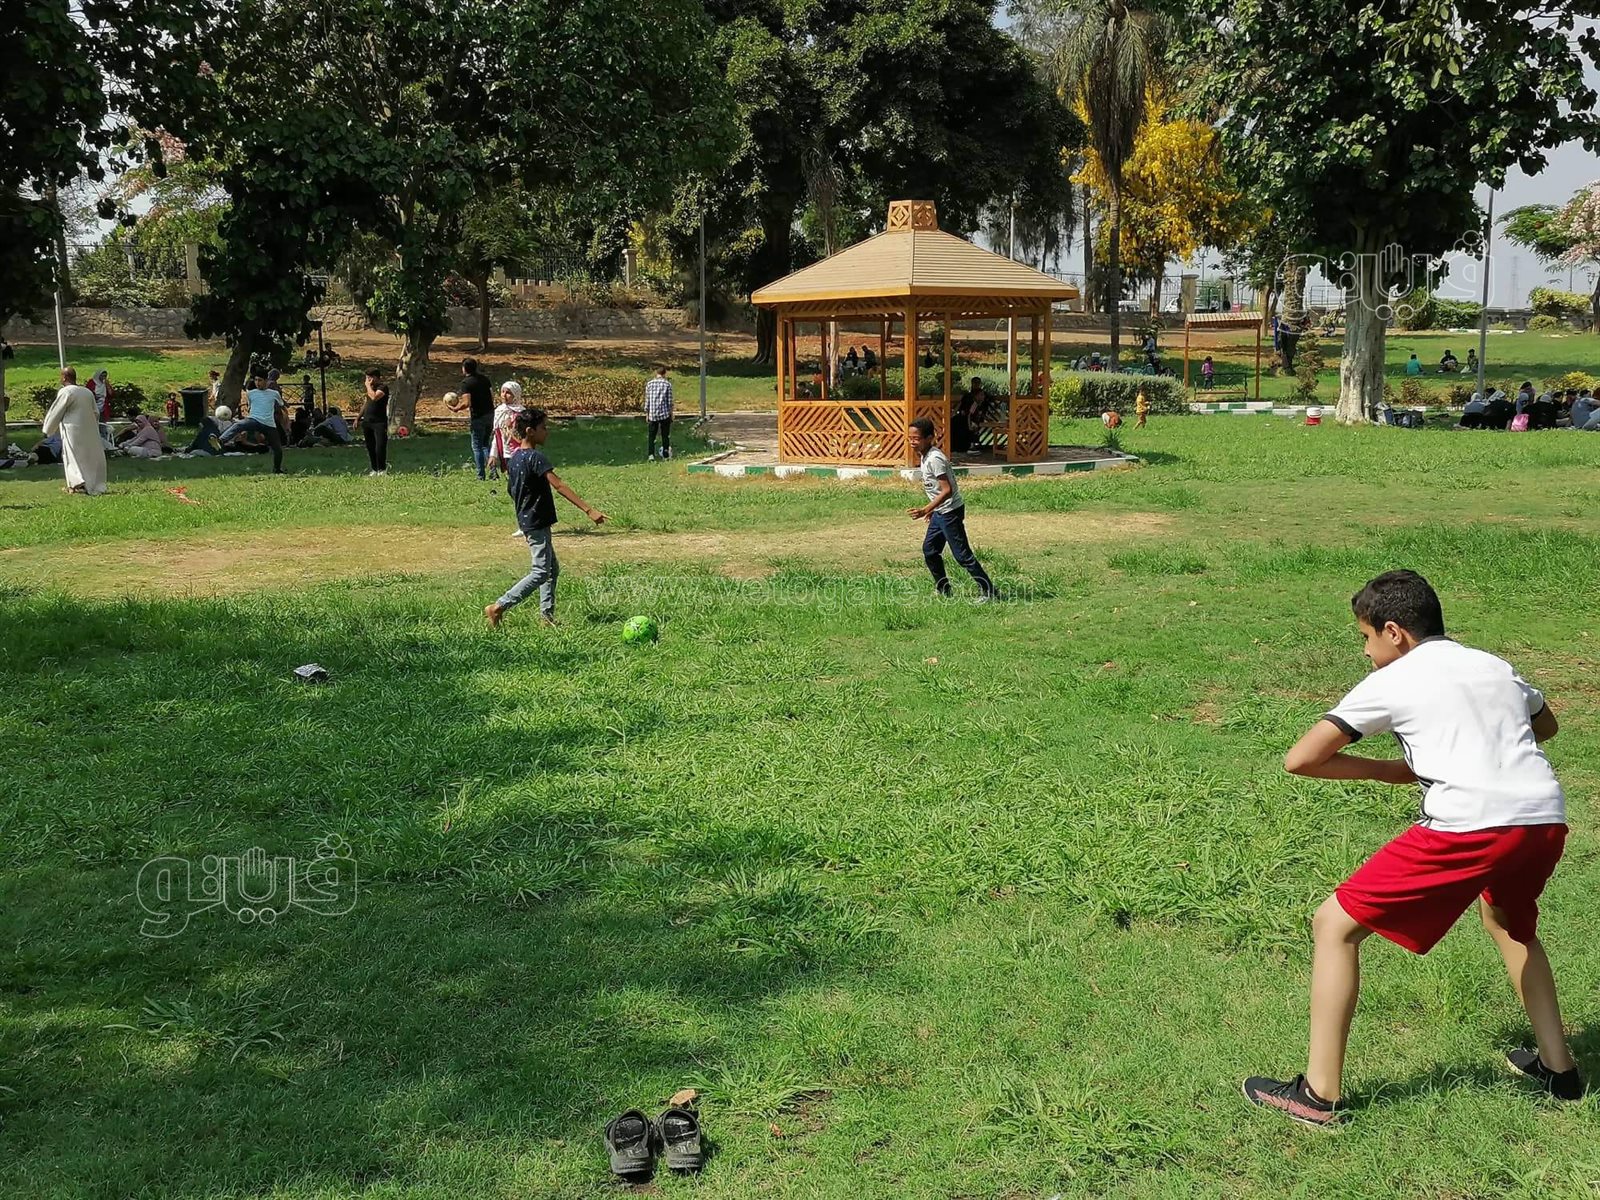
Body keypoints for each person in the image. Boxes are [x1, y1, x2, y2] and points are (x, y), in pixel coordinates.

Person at [1244, 570, 1578, 1127]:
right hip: (1543, 818)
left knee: (1334, 925)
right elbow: (1546, 727)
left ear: (1394, 632)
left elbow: (1301, 759)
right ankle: (1559, 1070)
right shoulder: (1493, 665)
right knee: (1510, 922)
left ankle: (1318, 1096)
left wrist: (1390, 772)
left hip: (1469, 826)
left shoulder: (1393, 678)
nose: (1366, 651)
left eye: (1366, 637)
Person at [484, 407, 608, 628]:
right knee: (541, 571)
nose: (547, 431)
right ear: (530, 431)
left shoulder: (515, 458)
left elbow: (512, 490)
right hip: (536, 522)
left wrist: (524, 511)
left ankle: (546, 618)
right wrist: (589, 510)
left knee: (551, 570)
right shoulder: (536, 457)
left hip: (529, 521)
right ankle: (499, 606)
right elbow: (558, 485)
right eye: (543, 427)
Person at [906, 417, 996, 604]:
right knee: (930, 551)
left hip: (950, 512)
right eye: (910, 438)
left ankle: (990, 592)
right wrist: (933, 510)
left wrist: (925, 509)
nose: (912, 442)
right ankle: (944, 590)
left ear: (929, 438)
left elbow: (947, 490)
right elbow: (937, 490)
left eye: (916, 438)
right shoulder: (925, 455)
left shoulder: (935, 459)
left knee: (962, 556)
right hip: (940, 512)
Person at [41, 367, 108, 495]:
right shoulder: (87, 392)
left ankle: (75, 484)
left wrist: (48, 429)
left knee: (72, 455)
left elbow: (56, 411)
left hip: (72, 428)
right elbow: (96, 412)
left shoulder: (66, 392)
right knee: (87, 456)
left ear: (64, 377)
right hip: (88, 428)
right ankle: (90, 483)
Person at [220, 368, 286, 472]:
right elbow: (250, 407)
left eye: (260, 380)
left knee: (278, 449)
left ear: (266, 380)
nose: (257, 383)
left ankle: (277, 469)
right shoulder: (251, 393)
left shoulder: (274, 394)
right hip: (254, 420)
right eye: (255, 380)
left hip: (269, 424)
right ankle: (221, 440)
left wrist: (285, 421)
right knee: (239, 425)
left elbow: (282, 406)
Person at [447, 357, 496, 479]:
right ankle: (493, 472)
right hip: (490, 414)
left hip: (478, 417)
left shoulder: (466, 383)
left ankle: (480, 475)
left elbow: (467, 402)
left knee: (477, 447)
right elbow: (492, 396)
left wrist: (456, 409)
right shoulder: (485, 379)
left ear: (464, 368)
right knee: (486, 444)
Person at [487, 381, 524, 478]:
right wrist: (493, 455)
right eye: (502, 392)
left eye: (508, 393)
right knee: (511, 479)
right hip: (506, 453)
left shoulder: (522, 414)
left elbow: (523, 437)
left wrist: (510, 427)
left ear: (515, 395)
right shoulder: (499, 411)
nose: (504, 395)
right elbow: (497, 434)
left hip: (518, 452)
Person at [360, 368, 390, 475]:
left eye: (369, 378)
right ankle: (374, 469)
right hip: (367, 421)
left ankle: (382, 469)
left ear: (375, 377)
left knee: (380, 446)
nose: (367, 380)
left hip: (379, 422)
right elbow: (366, 403)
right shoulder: (370, 389)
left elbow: (374, 397)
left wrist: (368, 386)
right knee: (370, 446)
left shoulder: (383, 387)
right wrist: (358, 418)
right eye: (367, 378)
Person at [645, 364, 674, 461]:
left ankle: (651, 455)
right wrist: (671, 414)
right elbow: (669, 401)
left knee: (651, 436)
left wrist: (647, 413)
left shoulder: (649, 384)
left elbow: (647, 400)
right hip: (664, 414)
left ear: (656, 373)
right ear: (664, 374)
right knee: (665, 435)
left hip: (652, 414)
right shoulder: (667, 384)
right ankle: (665, 454)